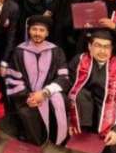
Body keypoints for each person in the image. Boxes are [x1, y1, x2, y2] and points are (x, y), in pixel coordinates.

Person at [5, 15, 71, 146]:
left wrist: (45, 93)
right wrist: (30, 97)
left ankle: (55, 135)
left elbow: (63, 78)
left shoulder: (56, 51)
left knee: (61, 101)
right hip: (26, 97)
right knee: (29, 120)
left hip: (48, 94)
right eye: (34, 29)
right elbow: (14, 80)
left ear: (47, 33)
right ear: (29, 31)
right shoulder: (19, 51)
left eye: (41, 30)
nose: (37, 33)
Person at [66, 28, 116, 153]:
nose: (102, 51)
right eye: (98, 46)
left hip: (109, 114)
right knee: (80, 94)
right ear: (89, 46)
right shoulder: (79, 61)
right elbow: (70, 92)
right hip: (84, 114)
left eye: (106, 47)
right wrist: (70, 120)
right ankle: (81, 134)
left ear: (112, 49)